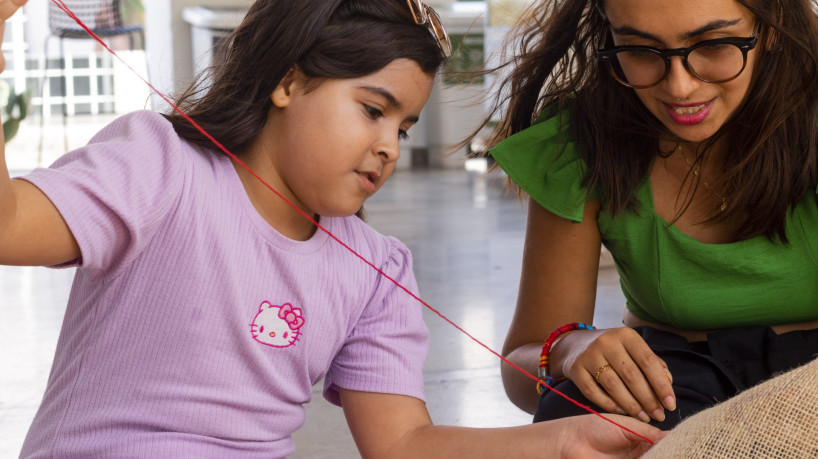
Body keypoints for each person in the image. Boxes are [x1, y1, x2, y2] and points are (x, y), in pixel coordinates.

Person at [1, 0, 664, 457]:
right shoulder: (159, 166)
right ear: (289, 80)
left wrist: (561, 441)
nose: (389, 147)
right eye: (373, 110)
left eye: (402, 127)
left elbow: (403, 443)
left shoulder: (378, 270)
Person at [482, 0, 818, 431]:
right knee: (578, 416)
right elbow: (521, 369)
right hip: (672, 387)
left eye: (714, 44)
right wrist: (571, 350)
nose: (680, 87)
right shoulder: (583, 143)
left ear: (773, 26)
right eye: (640, 50)